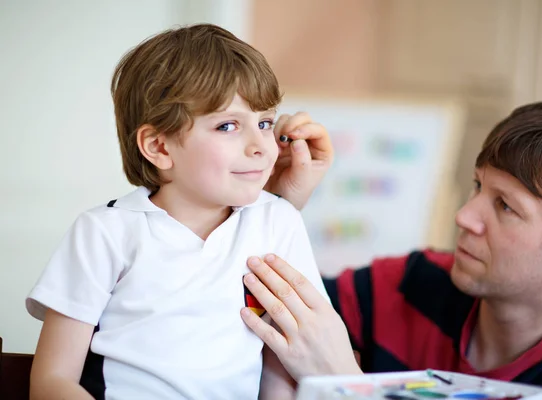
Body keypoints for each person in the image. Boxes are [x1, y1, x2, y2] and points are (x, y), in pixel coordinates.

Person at [25, 23, 331, 400]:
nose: (261, 146)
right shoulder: (105, 232)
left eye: (265, 122)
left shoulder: (279, 221)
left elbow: (282, 361)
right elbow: (52, 381)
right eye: (228, 125)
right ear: (159, 147)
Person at [241, 100, 542, 393]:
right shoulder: (409, 282)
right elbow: (266, 309)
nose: (464, 217)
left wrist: (346, 381)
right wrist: (274, 206)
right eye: (478, 186)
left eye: (505, 205)